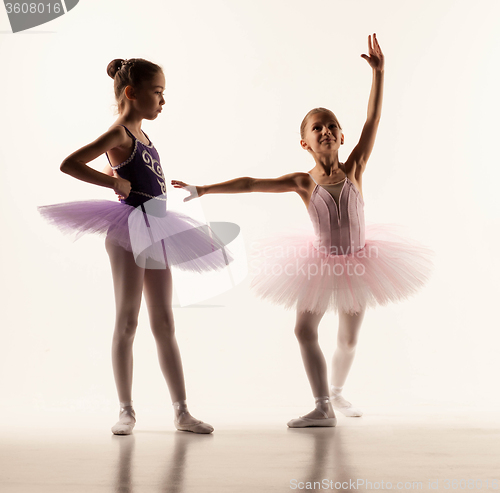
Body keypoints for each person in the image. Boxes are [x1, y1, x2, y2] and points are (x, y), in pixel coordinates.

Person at [172, 34, 433, 428]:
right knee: (303, 328)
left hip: (362, 263)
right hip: (319, 265)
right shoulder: (303, 182)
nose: (325, 131)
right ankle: (322, 404)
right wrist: (205, 188)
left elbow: (373, 119)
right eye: (317, 128)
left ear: (342, 137)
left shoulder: (356, 167)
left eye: (331, 126)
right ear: (304, 142)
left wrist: (379, 75)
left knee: (348, 337)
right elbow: (250, 183)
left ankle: (339, 391)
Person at [38, 58, 229, 434]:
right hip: (129, 230)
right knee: (128, 319)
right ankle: (126, 410)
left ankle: (182, 411)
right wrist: (111, 184)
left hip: (157, 227)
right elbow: (69, 163)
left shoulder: (142, 136)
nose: (162, 101)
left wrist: (115, 176)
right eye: (157, 92)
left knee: (164, 321)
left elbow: (123, 170)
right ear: (132, 93)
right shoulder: (120, 133)